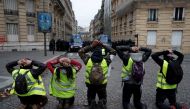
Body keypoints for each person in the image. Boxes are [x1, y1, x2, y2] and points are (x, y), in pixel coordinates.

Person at [78, 40, 116, 109]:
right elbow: (113, 51)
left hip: (90, 83)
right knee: (103, 96)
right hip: (102, 83)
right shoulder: (106, 60)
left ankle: (92, 102)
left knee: (90, 95)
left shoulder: (88, 60)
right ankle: (101, 101)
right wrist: (103, 45)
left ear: (93, 53)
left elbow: (80, 51)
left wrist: (92, 45)